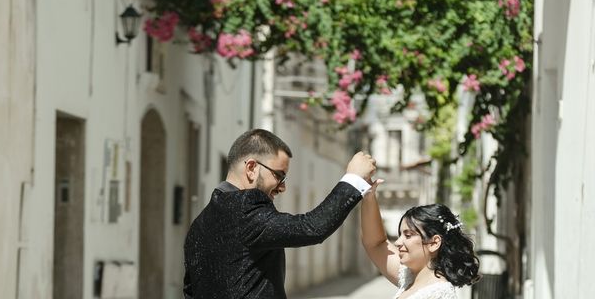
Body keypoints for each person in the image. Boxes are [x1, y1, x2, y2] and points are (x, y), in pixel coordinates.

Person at [183, 128, 377, 299]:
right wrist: (354, 179)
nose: (282, 187)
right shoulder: (245, 208)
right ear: (251, 168)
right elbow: (311, 227)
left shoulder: (199, 224)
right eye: (279, 175)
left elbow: (190, 291)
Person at [361, 180, 480, 299]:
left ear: (434, 243)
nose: (397, 242)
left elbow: (377, 244)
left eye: (408, 235)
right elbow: (376, 243)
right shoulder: (411, 276)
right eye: (400, 235)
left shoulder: (438, 294)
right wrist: (369, 196)